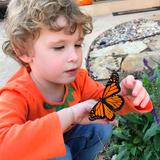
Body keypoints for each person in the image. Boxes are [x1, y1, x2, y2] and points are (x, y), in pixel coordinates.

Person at [0, 0, 152, 160]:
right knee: (59, 154)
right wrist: (70, 115)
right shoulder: (15, 94)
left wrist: (127, 95)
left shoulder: (78, 79)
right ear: (23, 51)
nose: (74, 57)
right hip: (29, 152)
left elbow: (105, 102)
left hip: (66, 139)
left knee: (99, 126)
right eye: (59, 47)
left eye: (78, 44)